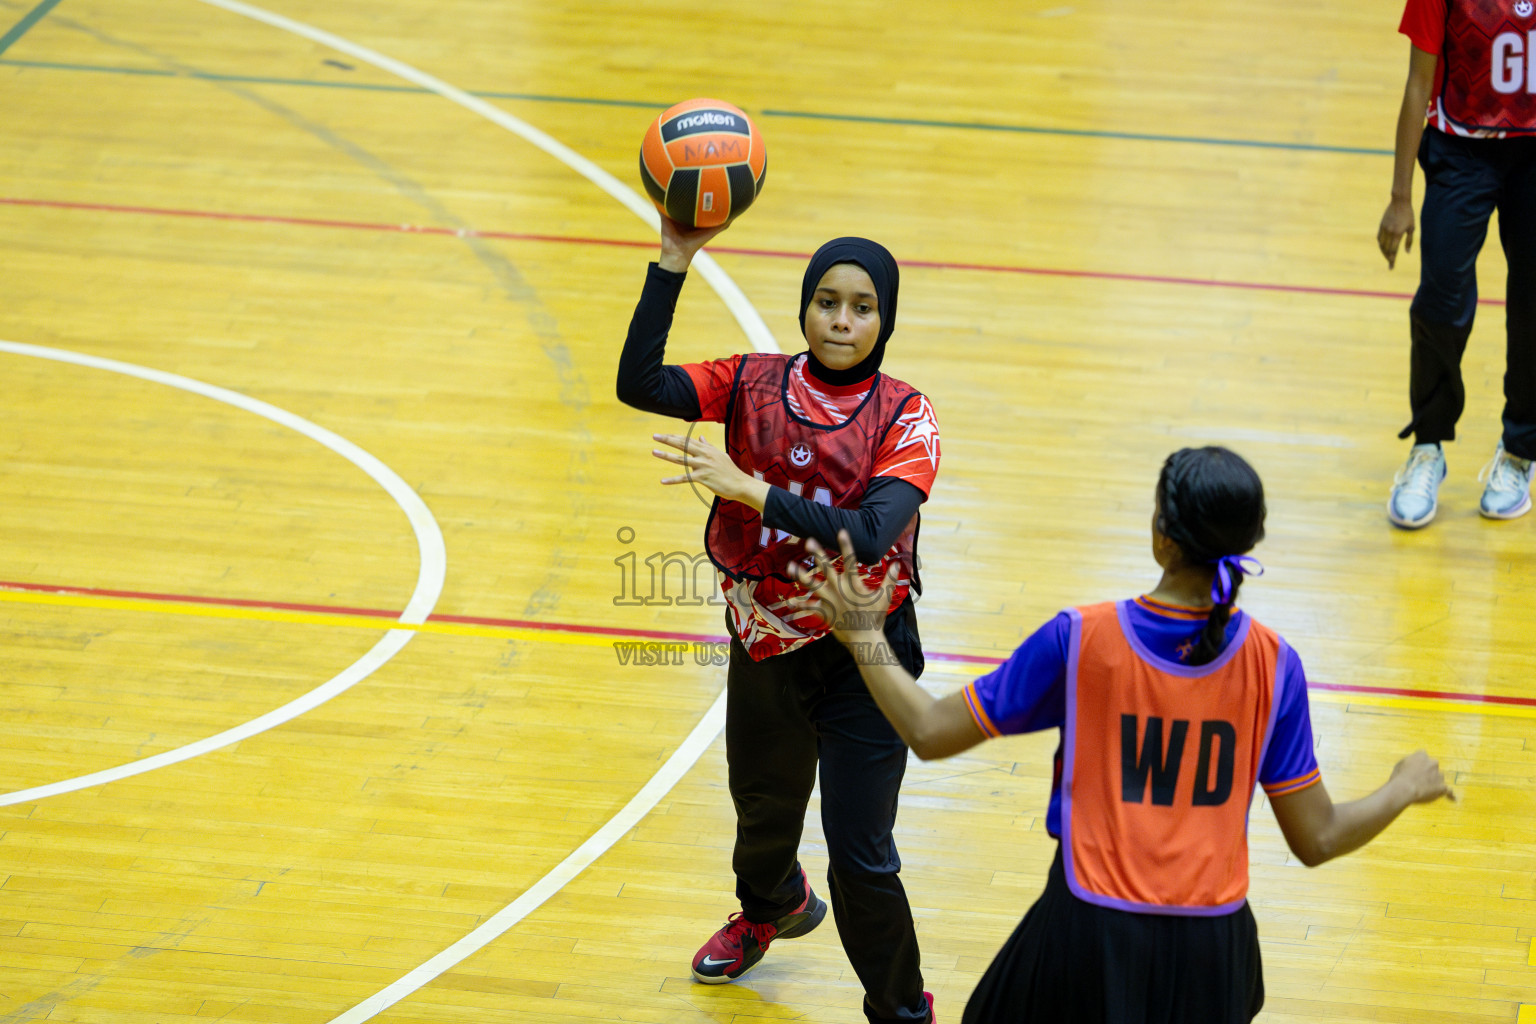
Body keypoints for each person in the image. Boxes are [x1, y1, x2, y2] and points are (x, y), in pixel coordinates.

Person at [790, 446, 1453, 1023]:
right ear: (1248, 545)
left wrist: (865, 637)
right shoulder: (1276, 664)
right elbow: (1320, 838)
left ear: (1161, 536)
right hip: (1215, 951)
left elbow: (931, 732)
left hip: (1091, 932)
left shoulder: (1084, 639)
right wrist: (1401, 787)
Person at [616, 214, 942, 1024]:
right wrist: (672, 263)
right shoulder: (751, 381)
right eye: (826, 301)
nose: (841, 320)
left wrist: (747, 488)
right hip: (766, 639)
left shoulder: (908, 416)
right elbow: (640, 383)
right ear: (804, 307)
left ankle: (903, 1010)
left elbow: (870, 531)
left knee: (863, 860)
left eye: (862, 307)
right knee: (762, 811)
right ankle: (768, 910)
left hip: (868, 655)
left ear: (885, 319)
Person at [1377, 0, 1536, 528]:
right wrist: (1401, 196)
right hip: (1460, 150)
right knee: (1440, 299)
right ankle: (1428, 447)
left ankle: (1519, 451)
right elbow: (1418, 82)